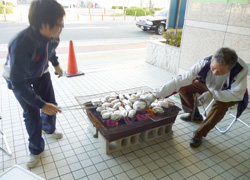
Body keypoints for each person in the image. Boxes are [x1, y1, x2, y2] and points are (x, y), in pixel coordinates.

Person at [141, 47, 249, 147]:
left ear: (230, 68)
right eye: (213, 68)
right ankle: (195, 114)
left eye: (221, 71)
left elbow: (237, 93)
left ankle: (199, 134)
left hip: (229, 93)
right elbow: (181, 80)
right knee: (185, 88)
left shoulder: (240, 69)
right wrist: (155, 95)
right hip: (208, 84)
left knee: (220, 107)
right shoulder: (205, 63)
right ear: (212, 61)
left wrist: (212, 94)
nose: (215, 72)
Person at [2, 0, 65, 168]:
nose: (62, 28)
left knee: (52, 105)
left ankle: (49, 129)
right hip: (18, 79)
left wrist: (56, 64)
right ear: (44, 25)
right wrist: (40, 104)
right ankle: (36, 149)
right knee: (32, 113)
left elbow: (50, 51)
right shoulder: (23, 43)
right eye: (59, 24)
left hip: (41, 73)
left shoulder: (53, 35)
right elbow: (18, 82)